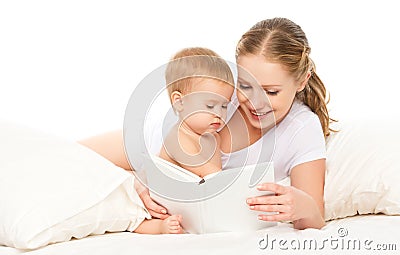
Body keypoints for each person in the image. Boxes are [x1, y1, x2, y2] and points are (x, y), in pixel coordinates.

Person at [79, 17, 334, 230]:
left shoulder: (301, 129)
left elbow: (314, 217)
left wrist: (302, 205)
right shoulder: (224, 97)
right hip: (152, 148)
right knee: (71, 155)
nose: (255, 102)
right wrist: (134, 182)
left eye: (271, 91)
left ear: (301, 82)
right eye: (245, 85)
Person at [158, 47, 234, 178]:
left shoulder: (214, 137)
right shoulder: (178, 141)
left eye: (224, 105)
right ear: (180, 102)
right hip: (163, 197)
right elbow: (212, 176)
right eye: (210, 106)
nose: (219, 113)